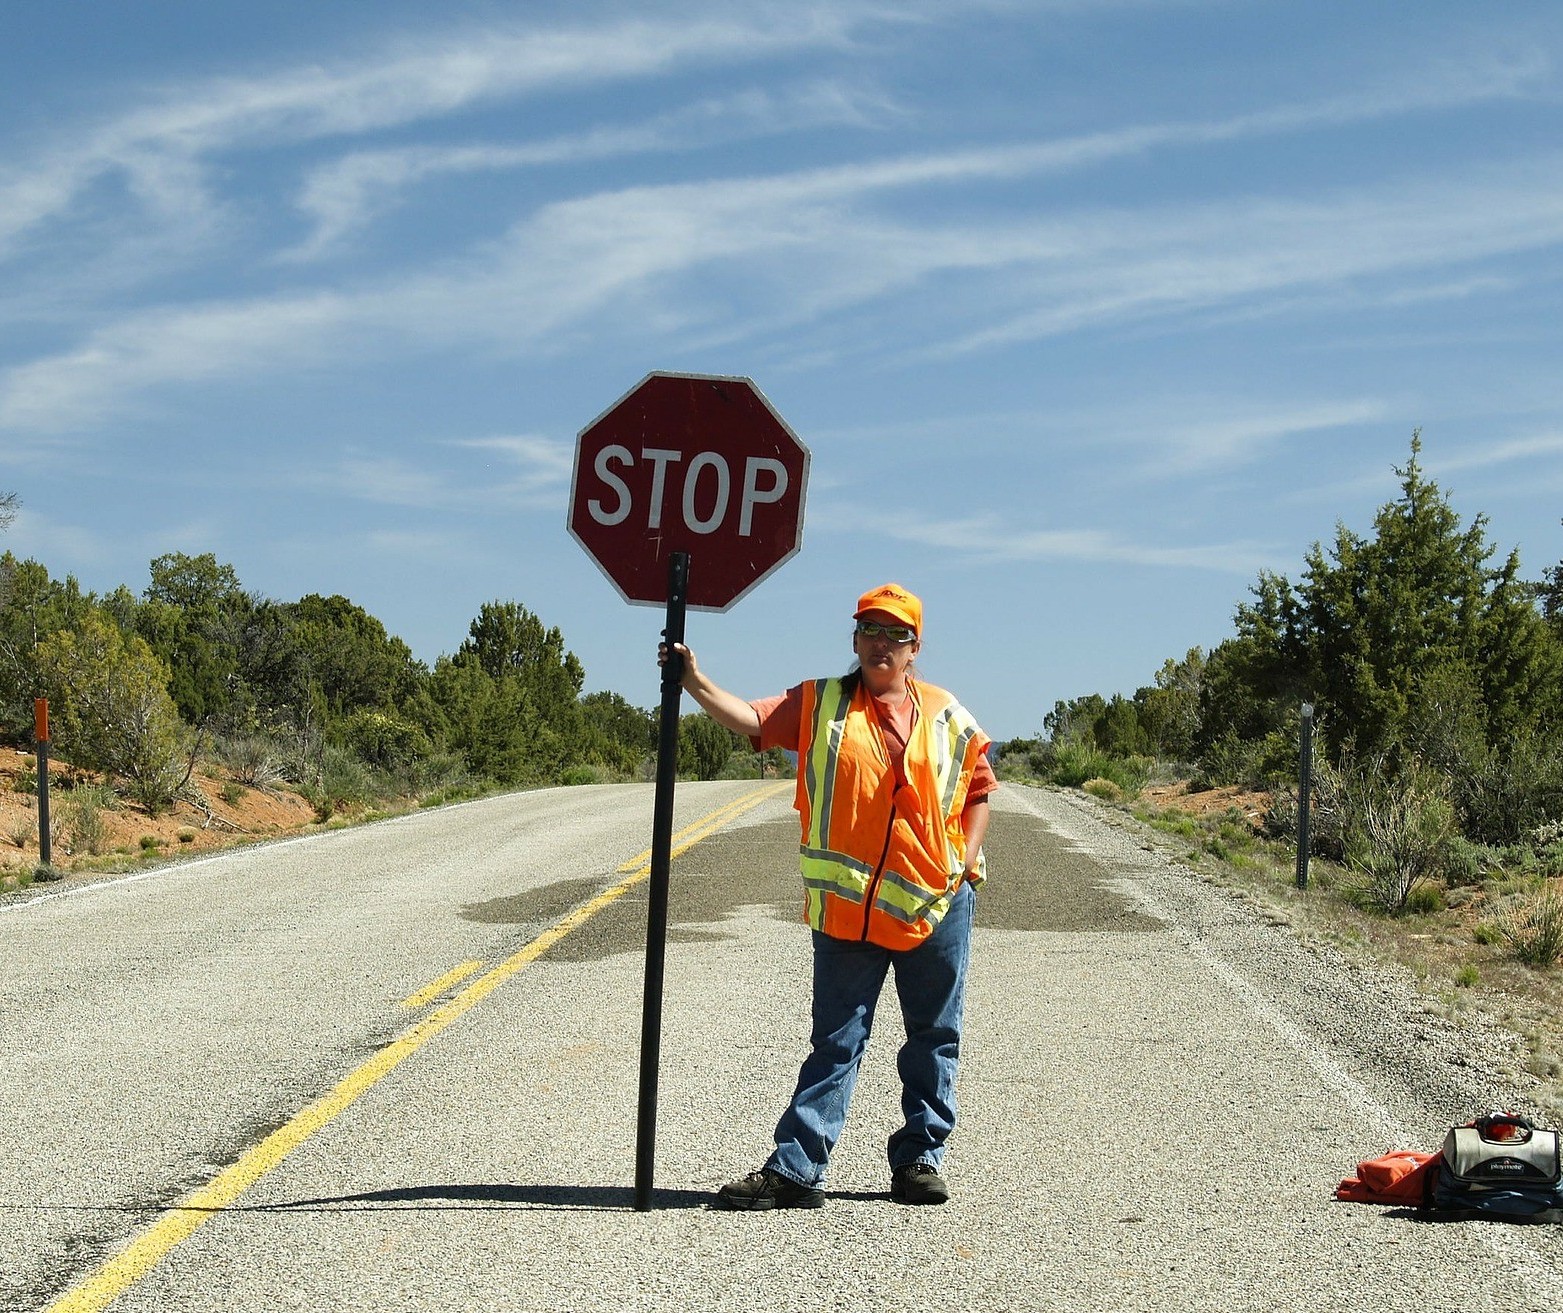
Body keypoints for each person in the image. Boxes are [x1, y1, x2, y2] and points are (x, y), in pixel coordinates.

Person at [661, 582, 995, 1209]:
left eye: (895, 633)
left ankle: (921, 1159)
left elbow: (978, 789)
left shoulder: (948, 713)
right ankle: (796, 1170)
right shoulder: (820, 704)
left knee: (934, 1035)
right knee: (836, 1042)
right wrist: (694, 682)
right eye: (870, 629)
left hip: (936, 903)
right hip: (847, 911)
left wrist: (965, 862)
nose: (881, 642)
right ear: (855, 639)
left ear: (914, 647)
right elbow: (754, 719)